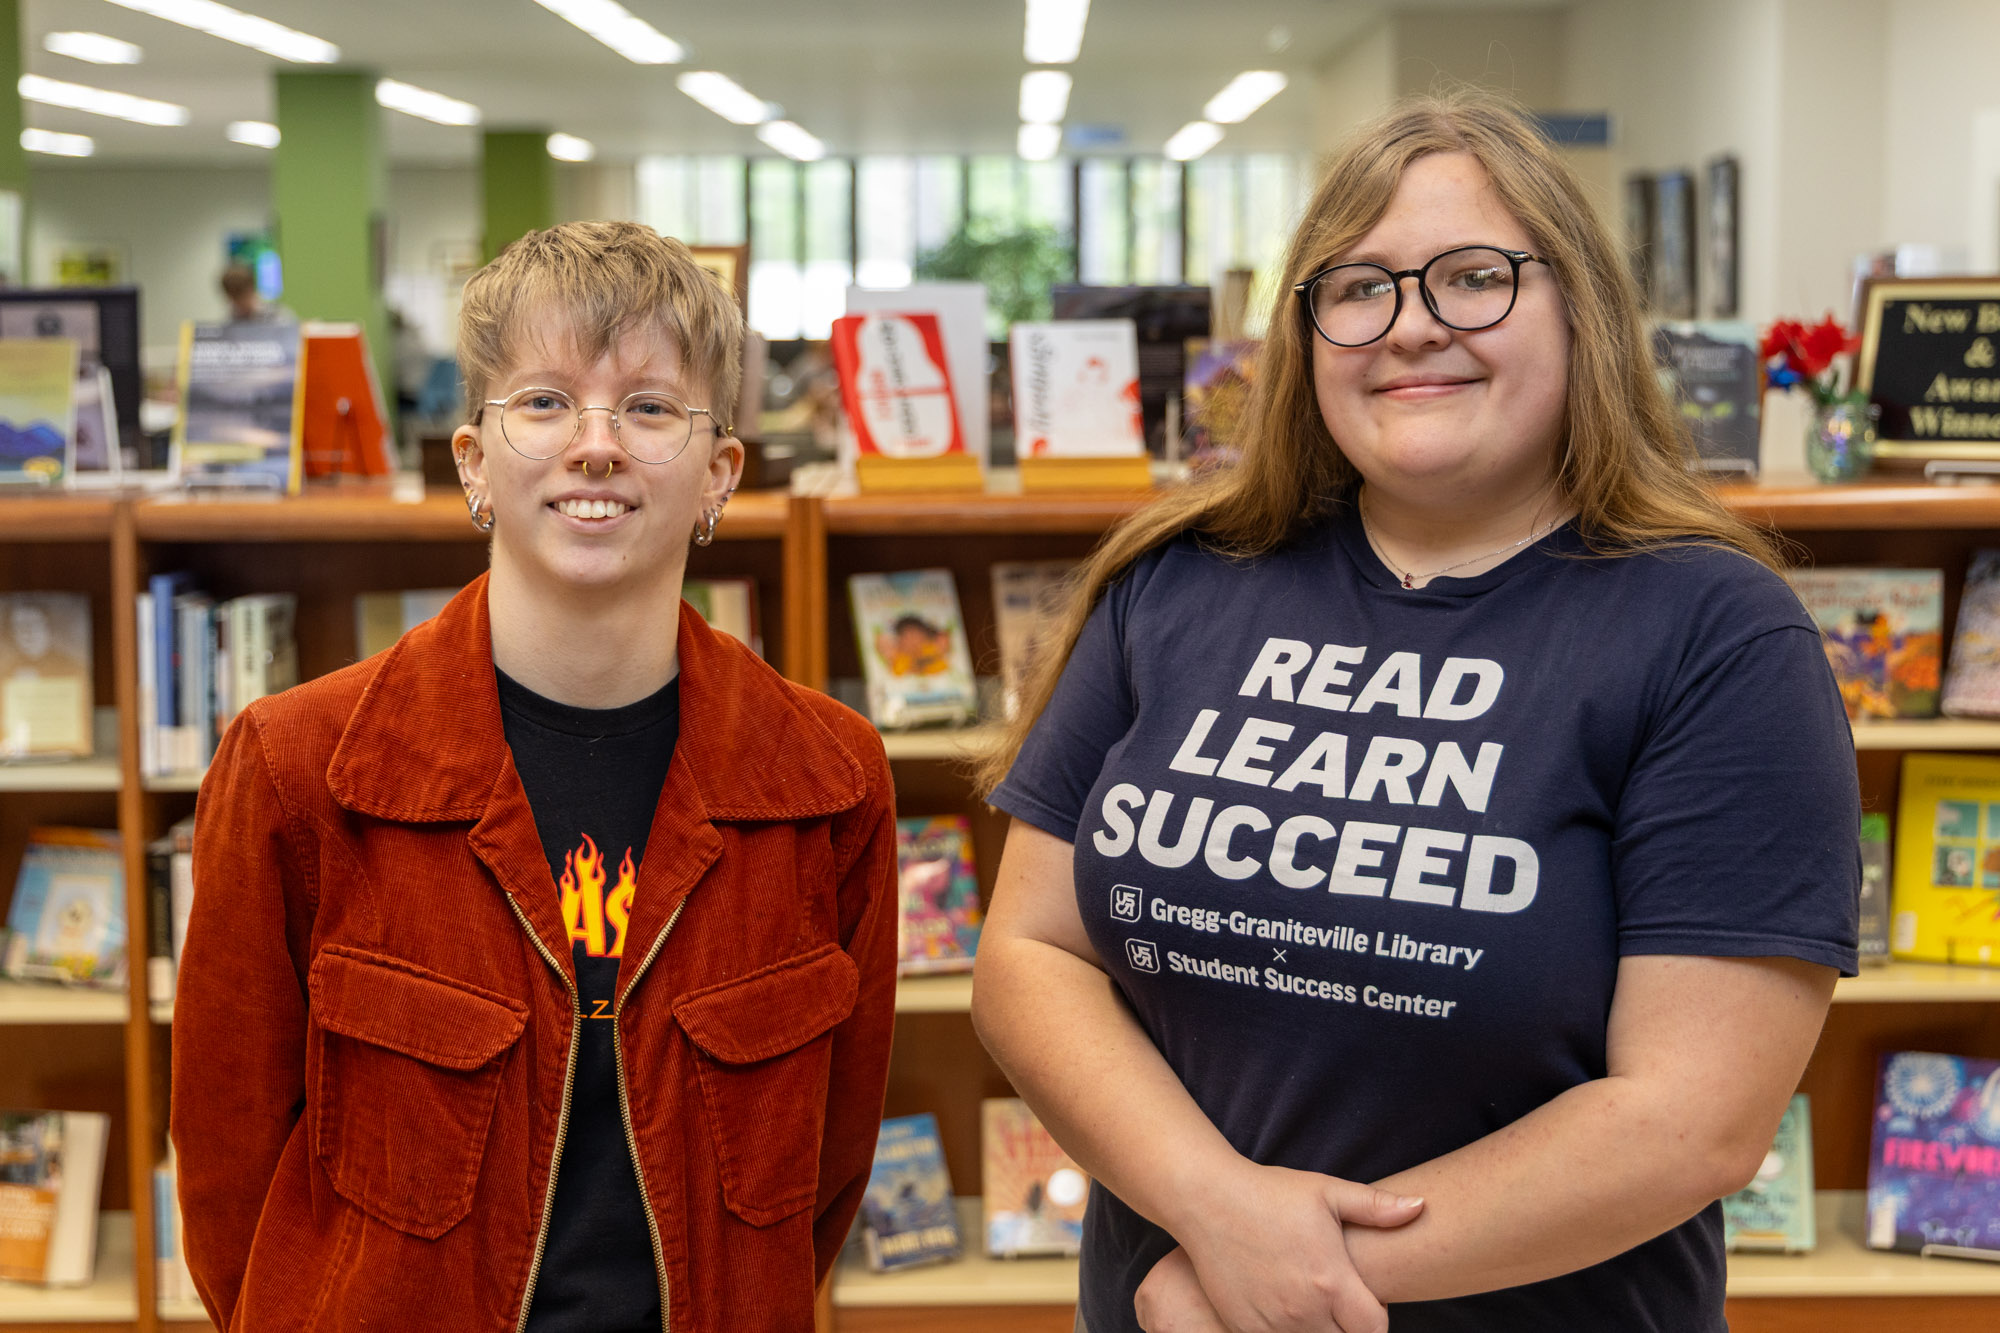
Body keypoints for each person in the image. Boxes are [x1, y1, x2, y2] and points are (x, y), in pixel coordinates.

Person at [972, 90, 1858, 1333]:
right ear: (1306, 329)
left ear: (1578, 307)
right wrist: (1218, 1210)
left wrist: (1288, 1281)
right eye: (1358, 288)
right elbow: (1029, 955)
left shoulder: (1715, 635)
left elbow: (1689, 1121)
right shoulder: (1174, 583)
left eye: (1471, 278)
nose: (1410, 328)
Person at [172, 221, 900, 1332]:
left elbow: (824, 1173)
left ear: (718, 473)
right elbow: (229, 1185)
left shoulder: (829, 783)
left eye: (650, 408)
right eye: (546, 401)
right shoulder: (297, 768)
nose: (595, 444)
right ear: (474, 459)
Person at [218, 262, 287, 324]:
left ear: (251, 289)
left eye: (242, 297)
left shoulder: (275, 315)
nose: (239, 304)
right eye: (234, 299)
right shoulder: (230, 320)